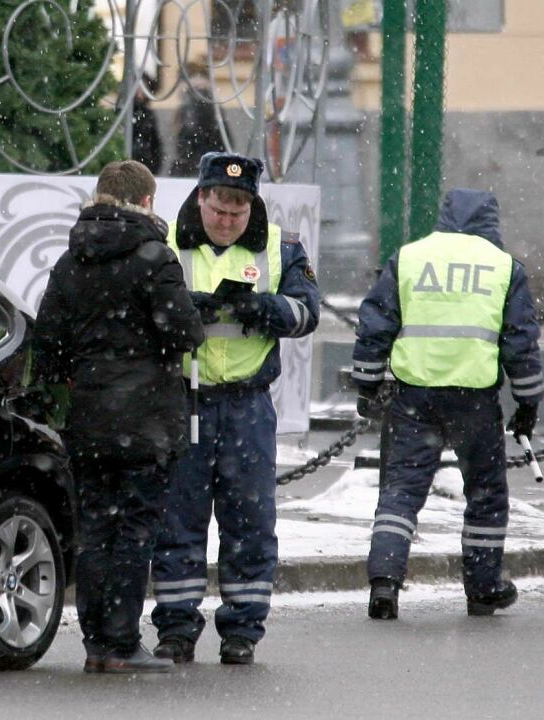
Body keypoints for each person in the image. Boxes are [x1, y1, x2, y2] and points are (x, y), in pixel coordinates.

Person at [33, 160, 204, 673]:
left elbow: (48, 344)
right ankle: (123, 642)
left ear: (99, 196)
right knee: (135, 530)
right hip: (146, 417)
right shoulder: (155, 257)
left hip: (88, 417)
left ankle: (95, 645)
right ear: (147, 202)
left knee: (95, 529)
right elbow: (184, 334)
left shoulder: (70, 260)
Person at [151, 151, 320, 665]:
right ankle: (176, 629)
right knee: (178, 518)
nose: (227, 222)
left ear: (253, 206)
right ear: (201, 197)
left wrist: (263, 309)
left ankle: (243, 629)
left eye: (238, 212)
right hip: (183, 399)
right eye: (219, 210)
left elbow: (307, 311)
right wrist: (179, 311)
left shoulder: (281, 245)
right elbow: (141, 311)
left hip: (247, 403)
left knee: (249, 518)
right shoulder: (165, 244)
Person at [350, 188, 544, 620]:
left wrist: (366, 380)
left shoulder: (411, 257)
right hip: (474, 400)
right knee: (486, 494)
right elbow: (521, 342)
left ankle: (385, 584)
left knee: (399, 492)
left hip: (413, 395)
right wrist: (528, 400)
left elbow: (376, 321)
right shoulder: (503, 267)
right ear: (490, 222)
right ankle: (483, 587)